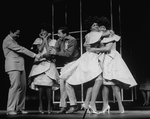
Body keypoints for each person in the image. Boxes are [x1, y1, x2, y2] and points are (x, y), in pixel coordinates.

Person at [59, 16, 113, 114]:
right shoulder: (92, 34)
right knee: (99, 79)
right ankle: (91, 104)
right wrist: (110, 32)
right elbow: (106, 33)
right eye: (94, 25)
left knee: (93, 81)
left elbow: (88, 43)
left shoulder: (92, 35)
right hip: (90, 58)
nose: (96, 26)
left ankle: (87, 104)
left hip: (92, 57)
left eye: (97, 25)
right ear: (90, 27)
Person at [88, 16, 137, 114]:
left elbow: (108, 49)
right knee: (105, 84)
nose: (101, 29)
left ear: (106, 27)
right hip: (104, 60)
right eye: (99, 27)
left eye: (103, 27)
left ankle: (120, 104)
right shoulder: (100, 36)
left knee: (114, 83)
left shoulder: (111, 35)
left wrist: (95, 49)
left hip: (112, 59)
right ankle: (105, 105)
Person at [2, 28, 40, 115]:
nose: (18, 36)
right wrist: (34, 55)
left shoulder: (14, 40)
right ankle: (10, 109)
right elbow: (21, 49)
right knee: (15, 86)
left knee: (23, 87)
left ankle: (20, 108)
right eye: (16, 34)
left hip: (20, 66)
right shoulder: (7, 40)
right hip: (13, 66)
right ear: (11, 31)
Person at [43, 27, 80, 114]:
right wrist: (46, 55)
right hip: (65, 65)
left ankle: (73, 106)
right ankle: (64, 106)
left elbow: (69, 53)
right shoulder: (59, 41)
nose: (58, 35)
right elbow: (54, 50)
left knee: (68, 84)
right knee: (62, 84)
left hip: (73, 63)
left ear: (65, 33)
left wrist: (56, 53)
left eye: (59, 33)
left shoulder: (72, 40)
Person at [28, 28, 59, 114]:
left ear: (48, 32)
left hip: (49, 63)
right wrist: (43, 39)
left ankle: (49, 106)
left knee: (48, 85)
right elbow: (40, 49)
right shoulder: (38, 40)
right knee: (41, 85)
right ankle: (41, 105)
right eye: (41, 31)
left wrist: (46, 40)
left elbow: (49, 51)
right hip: (40, 64)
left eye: (44, 31)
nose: (42, 33)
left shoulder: (53, 41)